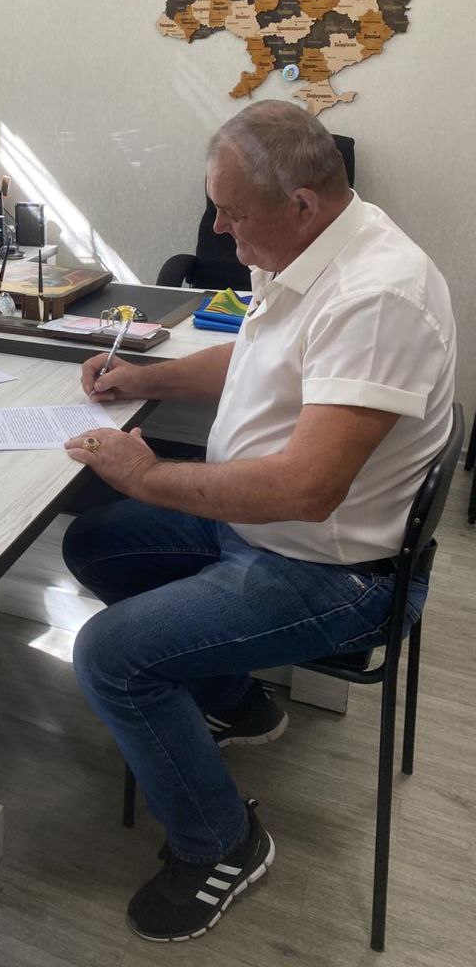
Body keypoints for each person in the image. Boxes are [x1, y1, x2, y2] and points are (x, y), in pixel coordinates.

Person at [61, 101, 456, 944]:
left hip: (338, 573)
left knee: (110, 657)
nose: (217, 228)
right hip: (265, 529)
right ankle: (239, 704)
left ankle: (222, 844)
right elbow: (254, 353)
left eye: (231, 213)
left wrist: (150, 474)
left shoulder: (378, 296)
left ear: (302, 203)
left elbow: (308, 489)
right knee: (95, 543)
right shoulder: (313, 247)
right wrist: (144, 381)